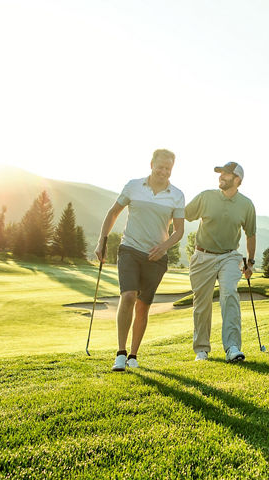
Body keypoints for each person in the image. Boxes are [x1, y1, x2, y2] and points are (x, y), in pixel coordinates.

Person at [95, 149, 185, 372]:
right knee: (128, 296)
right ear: (152, 164)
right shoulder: (133, 186)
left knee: (143, 306)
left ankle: (134, 355)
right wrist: (101, 241)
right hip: (130, 249)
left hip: (156, 257)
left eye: (168, 168)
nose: (163, 171)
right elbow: (113, 213)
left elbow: (179, 231)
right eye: (160, 166)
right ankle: (120, 353)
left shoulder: (177, 194)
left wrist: (164, 247)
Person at [185, 161, 256, 363]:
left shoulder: (246, 204)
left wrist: (250, 263)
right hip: (202, 256)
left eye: (226, 174)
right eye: (221, 173)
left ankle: (232, 347)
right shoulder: (206, 197)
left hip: (229, 256)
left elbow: (250, 234)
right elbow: (183, 214)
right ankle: (201, 350)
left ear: (237, 180)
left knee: (229, 294)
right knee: (201, 303)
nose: (221, 177)